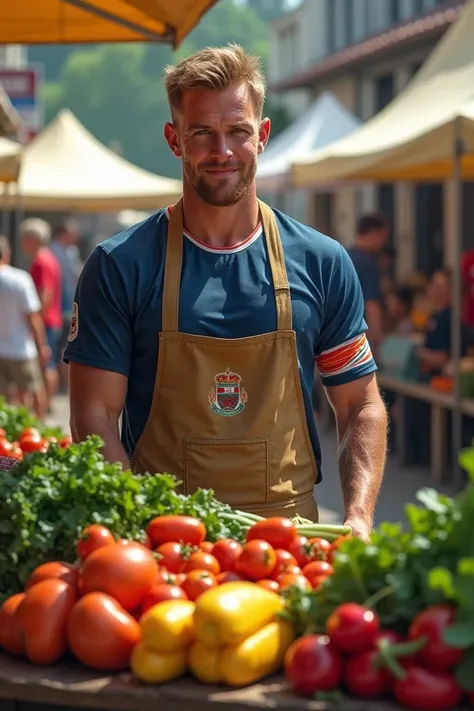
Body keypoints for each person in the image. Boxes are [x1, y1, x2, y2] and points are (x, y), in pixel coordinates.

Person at [65, 44, 387, 541]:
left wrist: (359, 516)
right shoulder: (119, 265)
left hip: (291, 541)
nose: (222, 152)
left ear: (262, 135)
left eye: (238, 131)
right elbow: (94, 415)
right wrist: (134, 529)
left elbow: (360, 405)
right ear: (174, 140)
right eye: (202, 133)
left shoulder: (322, 262)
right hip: (167, 545)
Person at [0, 235, 49, 419]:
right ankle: (38, 429)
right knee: (35, 391)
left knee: (4, 399)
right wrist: (41, 345)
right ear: (6, 254)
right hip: (20, 348)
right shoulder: (19, 279)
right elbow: (32, 317)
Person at [20, 218, 63, 411]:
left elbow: (44, 294)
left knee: (44, 364)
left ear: (33, 239)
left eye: (25, 238)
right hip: (52, 319)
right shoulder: (48, 257)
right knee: (48, 363)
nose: (22, 242)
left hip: (46, 321)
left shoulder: (41, 260)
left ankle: (44, 405)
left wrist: (35, 321)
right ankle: (47, 403)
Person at [347, 213, 389, 361]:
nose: (383, 243)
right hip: (359, 340)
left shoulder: (343, 256)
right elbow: (371, 305)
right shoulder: (367, 263)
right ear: (373, 234)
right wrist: (377, 343)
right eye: (382, 237)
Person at [50, 218, 82, 391]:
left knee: (65, 347)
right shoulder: (52, 251)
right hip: (58, 307)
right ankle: (60, 386)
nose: (76, 237)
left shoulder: (72, 251)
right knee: (57, 348)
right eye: (72, 234)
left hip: (71, 307)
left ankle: (63, 385)